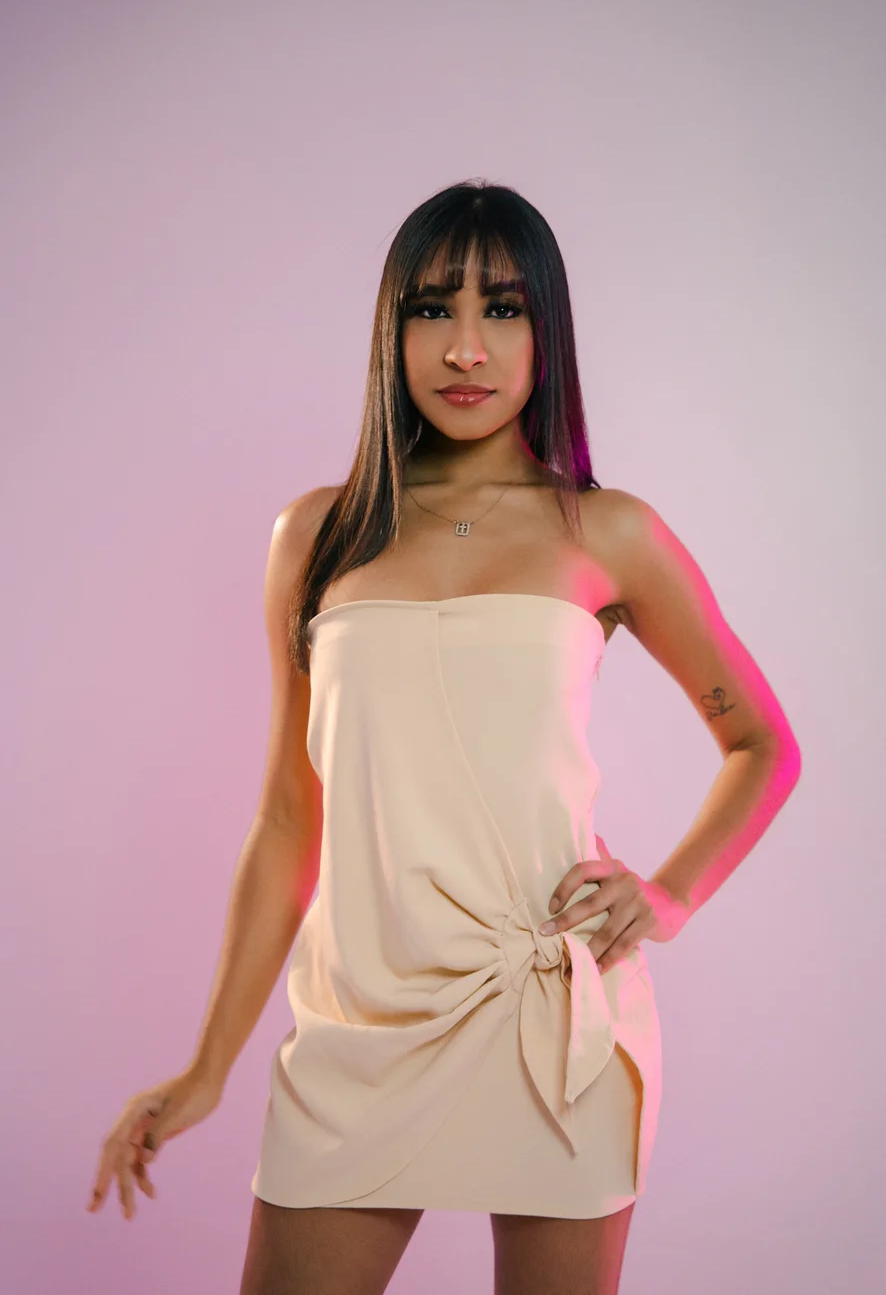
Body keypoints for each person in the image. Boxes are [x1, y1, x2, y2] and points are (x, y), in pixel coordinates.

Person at [87, 179, 802, 1295]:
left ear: (546, 335)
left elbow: (762, 744)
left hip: (551, 1021)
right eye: (433, 309)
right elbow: (287, 820)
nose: (466, 348)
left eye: (502, 310)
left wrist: (667, 896)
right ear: (394, 329)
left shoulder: (609, 532)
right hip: (359, 1029)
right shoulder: (318, 535)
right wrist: (207, 1068)